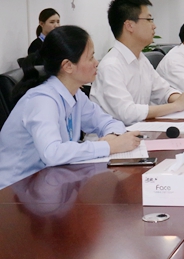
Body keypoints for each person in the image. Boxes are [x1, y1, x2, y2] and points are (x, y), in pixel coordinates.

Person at [0, 26, 141, 189]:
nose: (96, 63)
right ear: (68, 66)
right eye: (91, 57)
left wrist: (112, 136)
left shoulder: (75, 94)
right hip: (14, 191)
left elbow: (107, 122)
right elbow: (52, 153)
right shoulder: (42, 101)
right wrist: (109, 146)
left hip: (48, 183)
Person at [90, 0, 184, 125]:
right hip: (114, 135)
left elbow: (163, 91)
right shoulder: (111, 66)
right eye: (149, 20)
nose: (154, 26)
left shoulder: (141, 59)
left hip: (138, 130)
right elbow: (128, 113)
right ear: (129, 26)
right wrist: (177, 106)